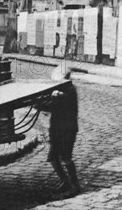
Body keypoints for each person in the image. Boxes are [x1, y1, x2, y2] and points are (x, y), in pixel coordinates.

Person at [42, 67, 80, 199]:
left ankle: (75, 186)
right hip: (57, 129)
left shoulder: (69, 91)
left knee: (66, 157)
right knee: (53, 157)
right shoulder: (61, 91)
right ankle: (65, 181)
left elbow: (52, 105)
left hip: (67, 130)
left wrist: (41, 104)